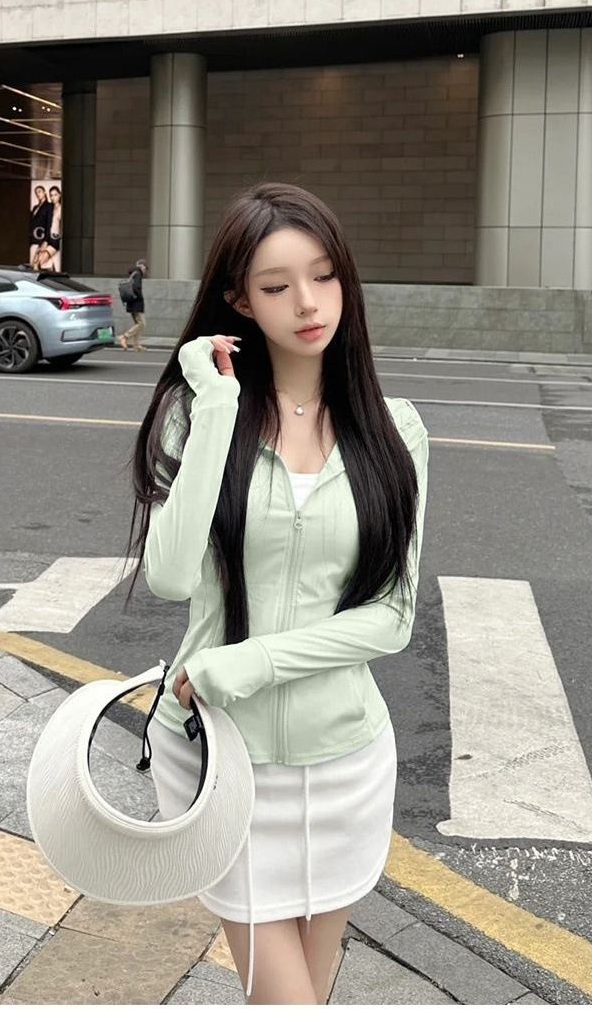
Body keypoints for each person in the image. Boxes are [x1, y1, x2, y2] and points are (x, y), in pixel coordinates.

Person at [128, 182, 427, 1007]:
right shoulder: (199, 415)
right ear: (238, 299)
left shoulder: (396, 429)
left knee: (303, 1001)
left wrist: (250, 662)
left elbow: (391, 616)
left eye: (324, 275)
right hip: (224, 759)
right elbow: (169, 576)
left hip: (345, 760)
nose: (308, 302)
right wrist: (218, 406)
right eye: (276, 284)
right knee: (288, 1007)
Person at [118, 258, 147, 351]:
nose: (145, 270)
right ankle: (124, 337)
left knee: (137, 324)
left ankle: (136, 345)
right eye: (145, 267)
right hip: (136, 303)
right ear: (141, 266)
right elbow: (136, 287)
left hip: (131, 302)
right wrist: (140, 297)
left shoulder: (133, 274)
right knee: (142, 324)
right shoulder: (138, 274)